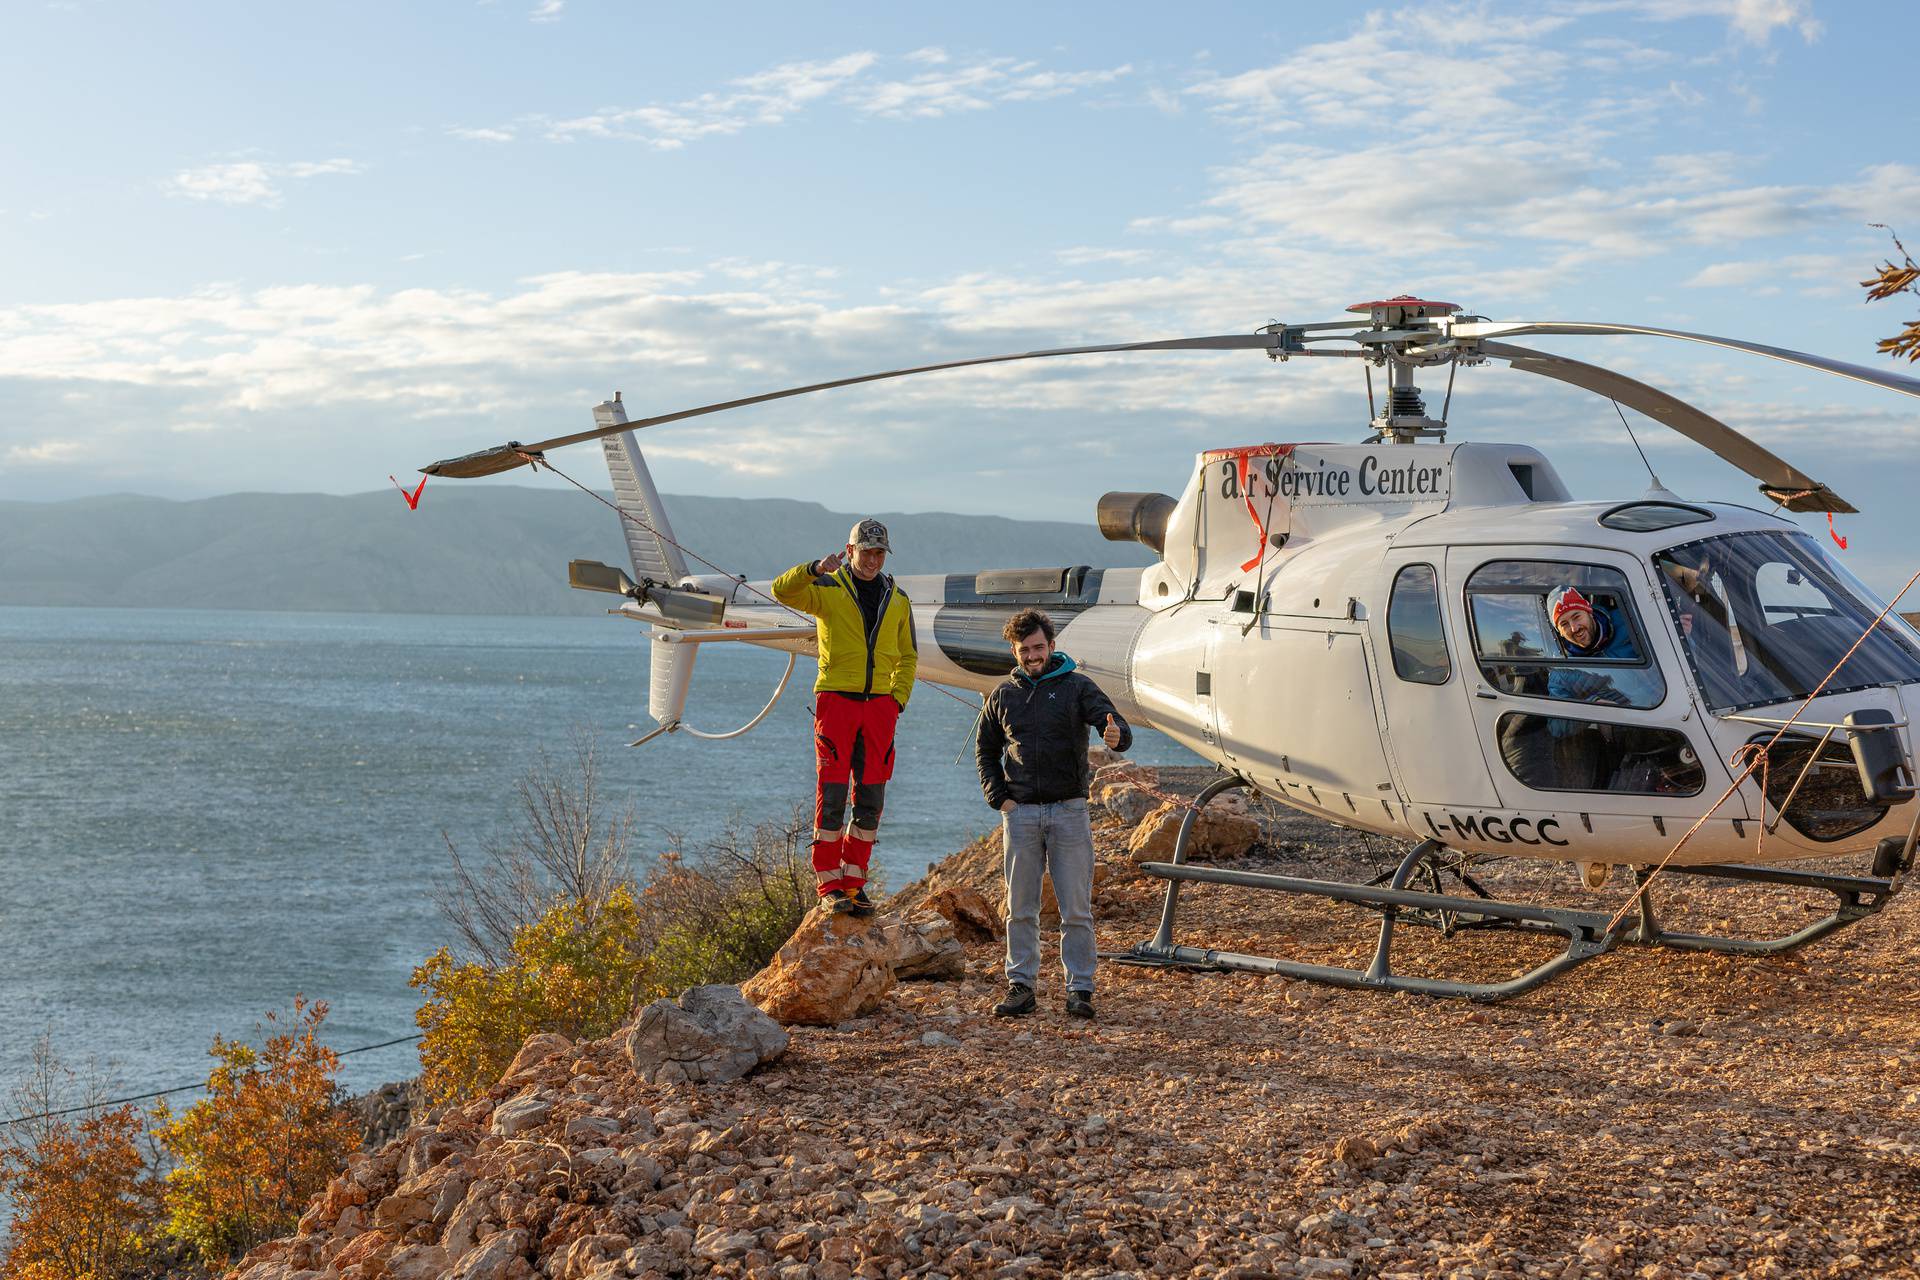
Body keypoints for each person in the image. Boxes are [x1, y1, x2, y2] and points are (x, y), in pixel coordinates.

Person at [975, 608, 1130, 1020]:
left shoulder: (1078, 687)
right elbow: (985, 751)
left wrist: (1116, 734)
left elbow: (1116, 725)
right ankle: (1021, 986)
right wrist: (1000, 799)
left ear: (1052, 647)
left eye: (1038, 647)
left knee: (1075, 908)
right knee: (1019, 907)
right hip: (1020, 813)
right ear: (1015, 651)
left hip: (1069, 811)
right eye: (1024, 650)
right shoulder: (1002, 695)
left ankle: (1080, 989)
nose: (1032, 655)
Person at [772, 518, 917, 916]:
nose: (873, 559)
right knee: (832, 797)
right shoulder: (827, 590)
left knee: (870, 800)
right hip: (836, 702)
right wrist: (815, 569)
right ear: (849, 551)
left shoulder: (898, 599)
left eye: (879, 553)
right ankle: (828, 883)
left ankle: (854, 881)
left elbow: (909, 656)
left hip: (880, 709)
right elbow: (781, 591)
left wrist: (897, 699)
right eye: (866, 551)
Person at [1545, 585, 1651, 706]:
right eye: (1564, 624)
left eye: (1577, 617)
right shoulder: (1561, 673)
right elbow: (1557, 724)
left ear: (1589, 612)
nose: (1574, 628)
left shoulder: (1630, 621)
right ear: (1560, 633)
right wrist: (1589, 705)